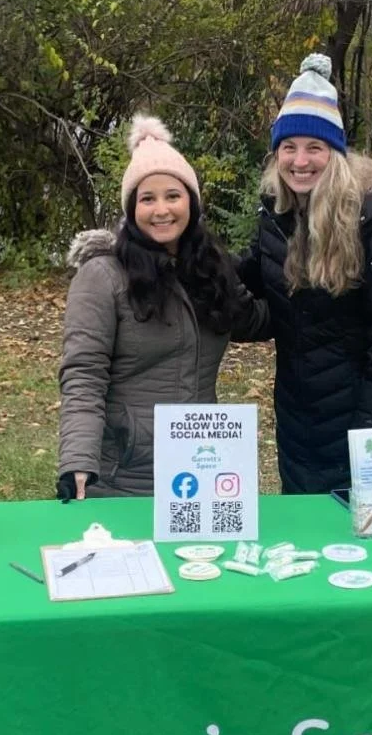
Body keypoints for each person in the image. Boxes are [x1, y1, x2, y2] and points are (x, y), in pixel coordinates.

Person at [239, 53, 372, 495]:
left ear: (336, 153)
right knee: (309, 545)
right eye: (288, 147)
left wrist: (369, 437)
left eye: (315, 148)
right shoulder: (276, 213)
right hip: (302, 423)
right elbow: (250, 290)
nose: (300, 161)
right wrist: (183, 258)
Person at [58, 115, 267, 498]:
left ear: (192, 201)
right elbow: (83, 375)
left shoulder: (211, 269)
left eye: (173, 196)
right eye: (147, 198)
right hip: (124, 478)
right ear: (131, 208)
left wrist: (303, 283)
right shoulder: (102, 276)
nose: (162, 210)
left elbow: (254, 320)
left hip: (202, 470)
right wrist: (77, 462)